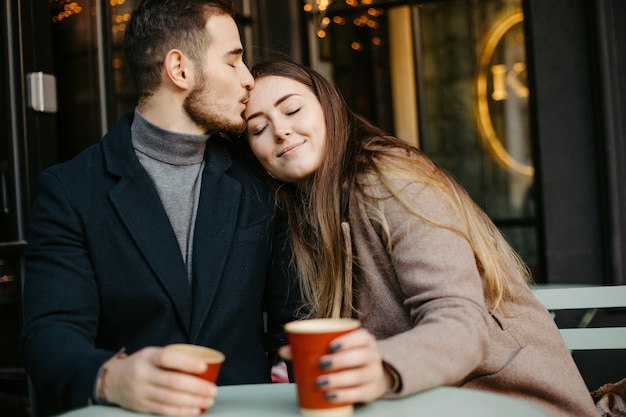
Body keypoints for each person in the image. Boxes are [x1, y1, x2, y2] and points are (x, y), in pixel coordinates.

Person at [241, 59, 599, 417]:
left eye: (292, 109)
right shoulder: (303, 218)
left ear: (329, 109)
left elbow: (461, 323)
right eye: (258, 129)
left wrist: (380, 369)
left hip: (512, 402)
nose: (281, 131)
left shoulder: (389, 179)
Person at [21, 2, 299, 417]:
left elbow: (291, 322)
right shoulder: (70, 190)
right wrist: (111, 378)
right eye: (234, 61)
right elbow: (50, 336)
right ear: (180, 70)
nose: (248, 80)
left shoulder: (258, 176)